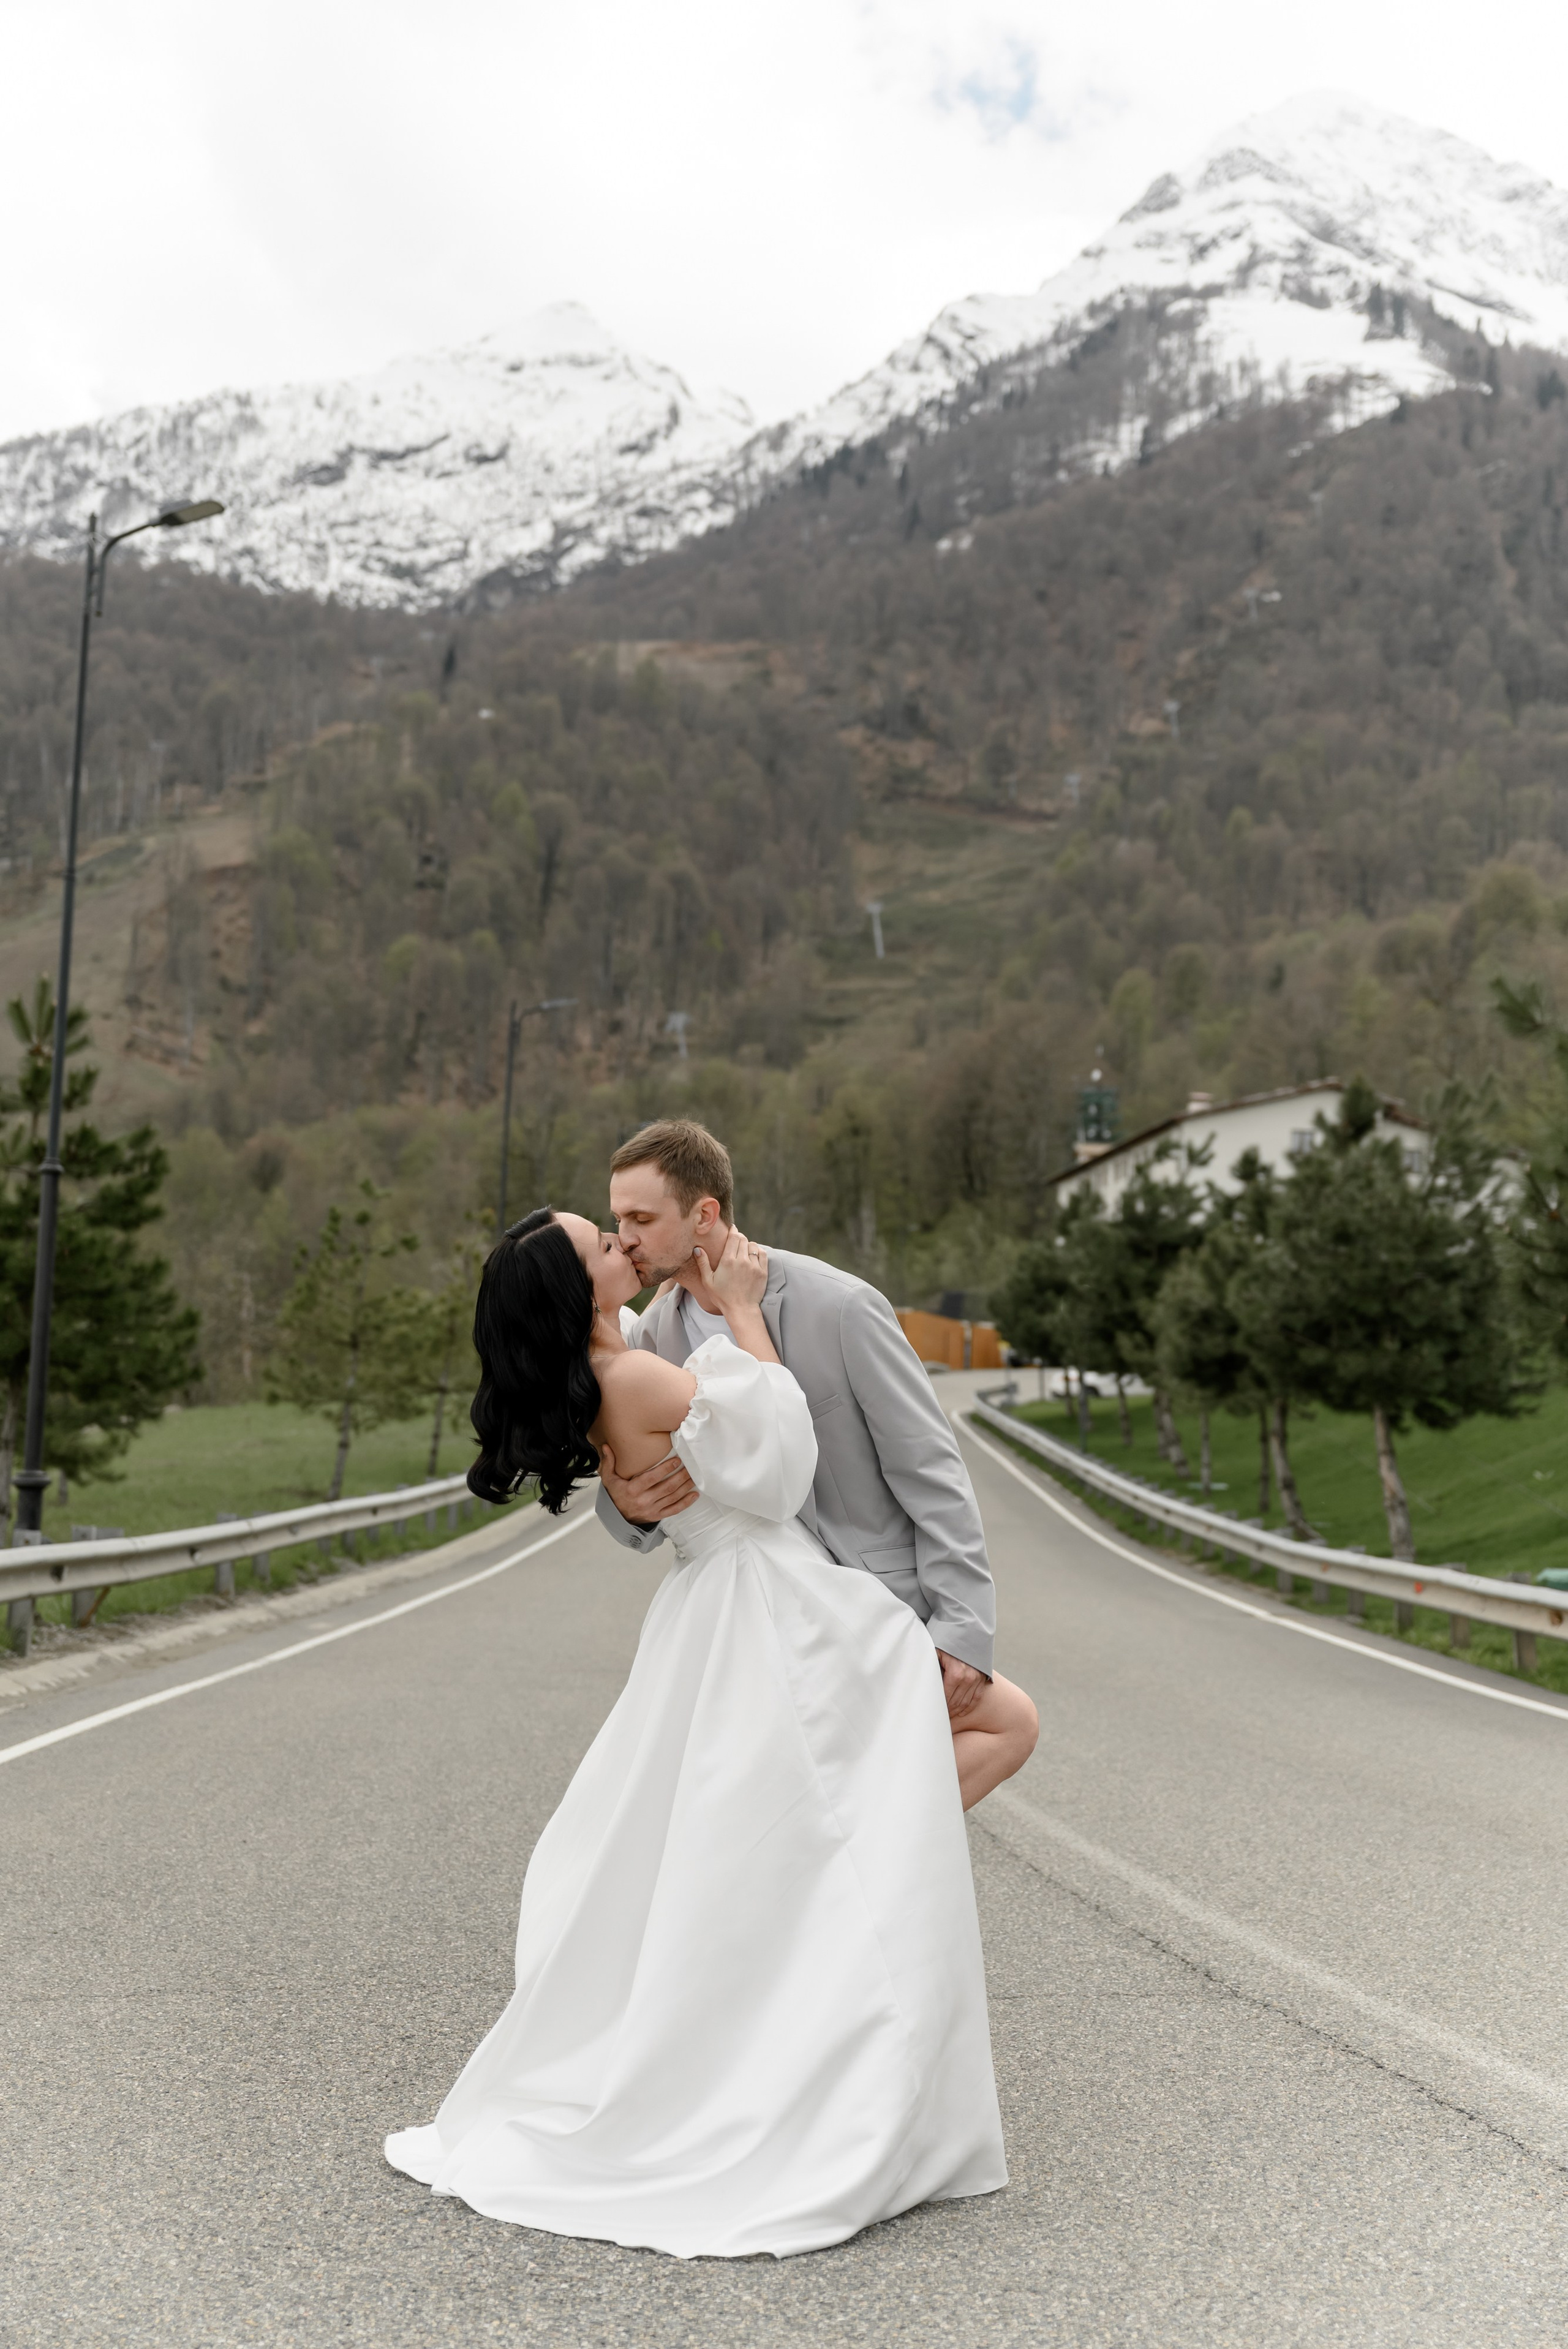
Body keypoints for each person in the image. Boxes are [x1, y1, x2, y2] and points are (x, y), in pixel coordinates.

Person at [384, 1202, 1019, 2258]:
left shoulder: (625, 1357)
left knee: (817, 1818)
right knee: (959, 1749)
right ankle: (830, 1960)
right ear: (574, 1286)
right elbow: (777, 1471)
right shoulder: (637, 1367)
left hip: (736, 1604)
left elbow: (677, 1463)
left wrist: (670, 1438)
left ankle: (824, 1941)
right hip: (766, 1606)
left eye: (628, 1225)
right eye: (603, 1242)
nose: (621, 1247)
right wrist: (748, 1325)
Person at [599, 1119, 1039, 1804]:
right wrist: (627, 1506)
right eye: (616, 1218)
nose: (624, 1236)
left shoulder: (838, 1305)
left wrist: (962, 1626)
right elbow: (649, 1478)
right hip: (754, 1623)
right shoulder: (653, 1337)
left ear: (704, 1214)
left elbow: (930, 1469)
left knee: (977, 1741)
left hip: (872, 1605)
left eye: (640, 1217)